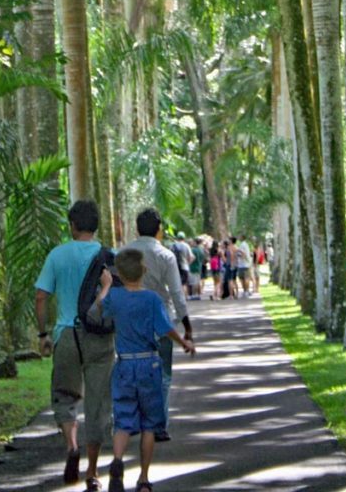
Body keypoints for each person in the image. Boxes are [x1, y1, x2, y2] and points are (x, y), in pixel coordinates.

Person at [90, 249, 195, 492]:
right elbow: (166, 329)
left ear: (119, 273)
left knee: (123, 420)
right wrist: (184, 343)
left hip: (124, 364)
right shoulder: (151, 300)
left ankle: (117, 462)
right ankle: (144, 479)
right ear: (144, 271)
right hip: (149, 363)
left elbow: (97, 309)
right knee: (149, 423)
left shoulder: (114, 297)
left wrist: (105, 285)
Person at [34, 200, 114, 491]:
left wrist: (43, 334)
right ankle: (92, 472)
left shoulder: (57, 255)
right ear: (95, 226)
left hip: (66, 334)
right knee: (97, 402)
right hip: (100, 337)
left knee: (64, 396)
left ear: (72, 225)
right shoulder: (108, 256)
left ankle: (71, 445)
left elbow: (41, 296)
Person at [124, 208, 194, 441]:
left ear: (137, 229)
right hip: (160, 320)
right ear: (159, 230)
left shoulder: (125, 253)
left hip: (132, 321)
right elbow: (176, 292)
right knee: (162, 373)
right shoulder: (165, 256)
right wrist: (187, 326)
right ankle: (158, 425)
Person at [170, 230, 194, 297]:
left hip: (175, 267)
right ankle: (184, 297)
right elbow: (191, 257)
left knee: (177, 283)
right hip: (184, 267)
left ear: (177, 238)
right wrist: (188, 263)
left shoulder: (173, 245)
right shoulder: (186, 246)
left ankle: (178, 297)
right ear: (184, 238)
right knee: (184, 283)